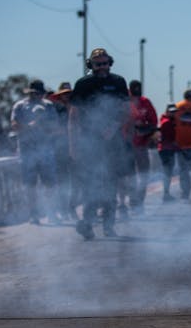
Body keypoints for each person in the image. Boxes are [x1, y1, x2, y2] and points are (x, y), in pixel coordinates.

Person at [69, 48, 129, 240]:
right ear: (91, 65)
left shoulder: (118, 82)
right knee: (91, 184)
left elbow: (126, 110)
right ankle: (87, 223)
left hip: (112, 140)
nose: (102, 68)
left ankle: (109, 226)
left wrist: (114, 126)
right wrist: (73, 145)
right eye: (97, 64)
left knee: (111, 183)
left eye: (104, 63)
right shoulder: (82, 84)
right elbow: (73, 117)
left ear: (110, 63)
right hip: (90, 142)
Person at [10, 80, 58, 225]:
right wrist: (29, 126)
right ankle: (34, 214)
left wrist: (45, 125)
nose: (36, 95)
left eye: (39, 93)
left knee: (49, 184)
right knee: (29, 184)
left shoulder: (48, 106)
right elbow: (14, 125)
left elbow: (55, 126)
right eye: (34, 92)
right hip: (27, 151)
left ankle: (51, 212)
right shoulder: (20, 106)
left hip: (45, 150)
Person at [126, 80, 157, 213]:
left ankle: (139, 202)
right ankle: (132, 202)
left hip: (141, 145)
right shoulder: (124, 102)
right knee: (129, 176)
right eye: (134, 88)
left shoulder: (145, 102)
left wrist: (145, 130)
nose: (137, 90)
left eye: (139, 88)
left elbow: (153, 122)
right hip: (126, 146)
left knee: (144, 174)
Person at [50, 82, 77, 220]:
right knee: (62, 181)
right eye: (64, 93)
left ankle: (72, 208)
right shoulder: (54, 109)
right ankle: (62, 209)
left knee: (76, 181)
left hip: (76, 148)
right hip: (60, 149)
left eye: (68, 93)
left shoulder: (76, 107)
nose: (66, 96)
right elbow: (52, 129)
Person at [157, 103, 179, 202]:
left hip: (168, 149)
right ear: (167, 112)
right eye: (171, 112)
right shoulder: (166, 122)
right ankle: (166, 193)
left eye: (174, 111)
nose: (173, 113)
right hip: (166, 150)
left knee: (168, 172)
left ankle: (167, 193)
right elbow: (169, 137)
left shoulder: (170, 121)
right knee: (167, 172)